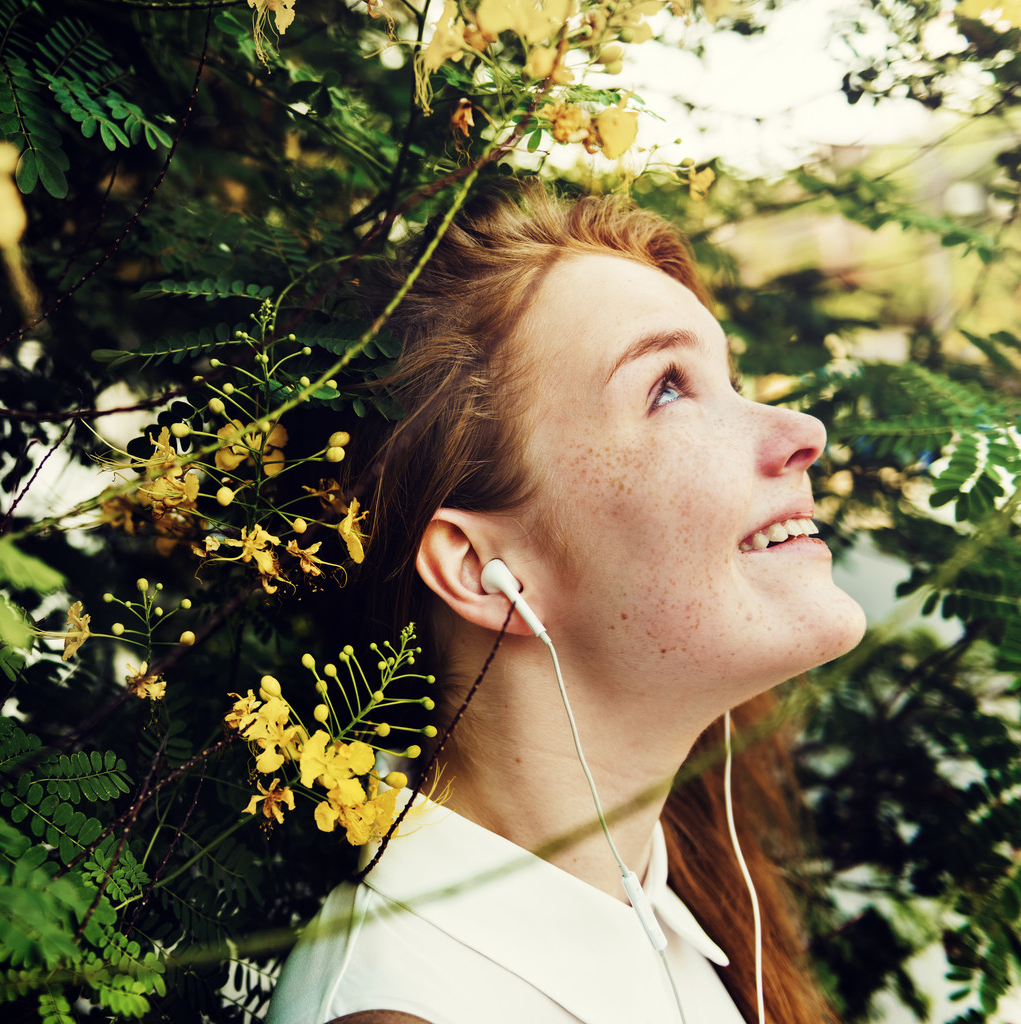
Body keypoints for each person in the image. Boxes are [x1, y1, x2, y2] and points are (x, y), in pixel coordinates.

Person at [266, 182, 867, 1024]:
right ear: (482, 571)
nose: (804, 430)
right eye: (668, 387)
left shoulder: (669, 918)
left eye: (729, 381)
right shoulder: (410, 1005)